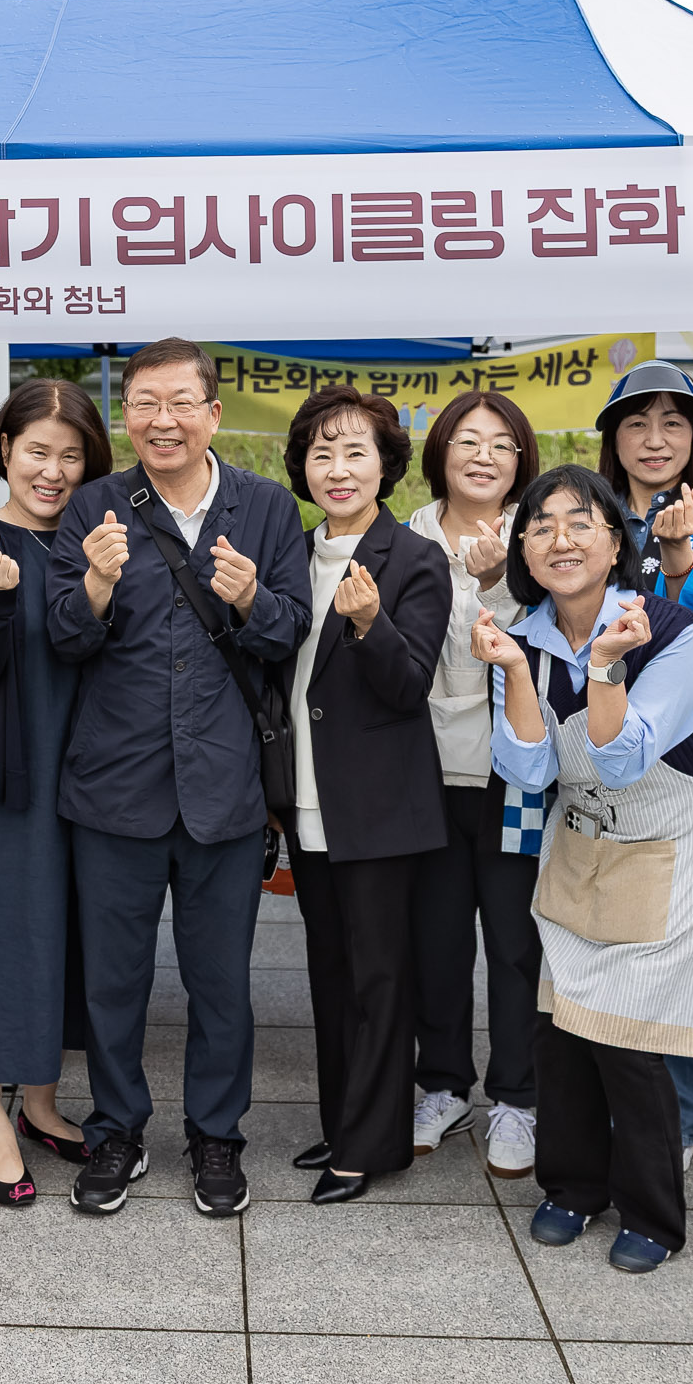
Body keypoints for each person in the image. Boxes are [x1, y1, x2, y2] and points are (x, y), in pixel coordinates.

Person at [47, 337, 312, 1218]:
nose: (162, 419)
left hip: (224, 790)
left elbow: (289, 634)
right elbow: (63, 637)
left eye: (180, 401)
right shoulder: (95, 503)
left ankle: (217, 1134)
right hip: (114, 787)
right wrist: (90, 585)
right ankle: (116, 1126)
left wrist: (250, 600)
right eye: (145, 402)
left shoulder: (267, 508)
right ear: (127, 414)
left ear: (212, 414)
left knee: (220, 979)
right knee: (112, 979)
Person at [472, 463, 693, 1273]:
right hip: (584, 832)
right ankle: (572, 1185)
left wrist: (605, 669)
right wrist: (518, 673)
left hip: (675, 838)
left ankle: (654, 1212)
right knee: (562, 1019)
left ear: (615, 539)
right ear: (522, 546)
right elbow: (523, 770)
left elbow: (623, 760)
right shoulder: (521, 637)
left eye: (582, 520)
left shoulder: (671, 630)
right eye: (543, 522)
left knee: (627, 1028)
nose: (562, 537)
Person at [0, 379, 113, 1205]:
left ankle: (39, 1100)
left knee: (63, 943)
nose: (53, 470)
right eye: (37, 450)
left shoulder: (94, 540)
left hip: (85, 782)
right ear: (4, 448)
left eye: (71, 455)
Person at [281, 386, 452, 1204]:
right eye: (321, 452)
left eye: (355, 452)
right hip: (308, 799)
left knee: (382, 979)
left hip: (379, 807)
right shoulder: (290, 549)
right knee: (329, 971)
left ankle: (372, 1142)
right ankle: (343, 1119)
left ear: (387, 463)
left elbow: (408, 683)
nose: (338, 468)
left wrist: (370, 623)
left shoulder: (415, 559)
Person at [598, 359, 693, 1170]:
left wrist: (683, 555)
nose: (654, 439)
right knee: (606, 935)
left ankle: (687, 1113)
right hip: (601, 766)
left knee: (690, 942)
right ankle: (614, 1101)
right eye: (635, 422)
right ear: (611, 438)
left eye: (672, 422)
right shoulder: (586, 514)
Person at [405, 390, 544, 1179]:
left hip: (516, 776)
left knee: (517, 942)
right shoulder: (405, 538)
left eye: (500, 442)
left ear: (521, 457)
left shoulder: (544, 532)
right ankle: (443, 1083)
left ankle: (517, 1097)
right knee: (438, 938)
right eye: (466, 439)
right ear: (441, 453)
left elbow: (552, 635)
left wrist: (496, 583)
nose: (483, 454)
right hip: (426, 775)